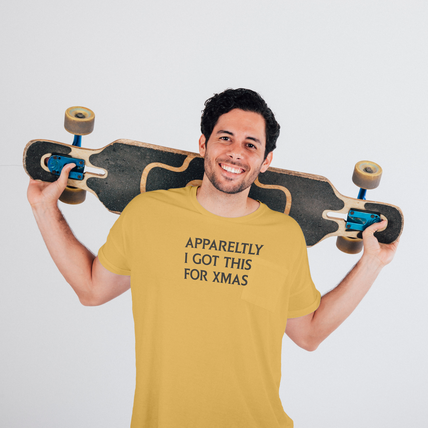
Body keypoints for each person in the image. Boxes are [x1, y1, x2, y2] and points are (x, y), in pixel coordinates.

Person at [27, 88, 399, 428]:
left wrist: (372, 263)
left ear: (266, 160)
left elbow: (309, 333)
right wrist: (44, 208)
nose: (236, 152)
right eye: (225, 138)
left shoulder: (284, 237)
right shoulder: (147, 214)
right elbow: (92, 289)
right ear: (203, 144)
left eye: (251, 144)